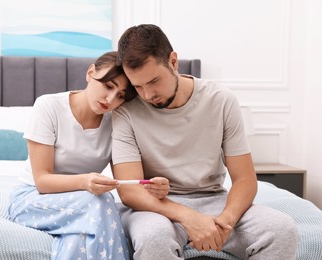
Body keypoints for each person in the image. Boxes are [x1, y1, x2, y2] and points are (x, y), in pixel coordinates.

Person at [112, 24, 299, 260]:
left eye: (154, 81)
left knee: (283, 229)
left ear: (173, 61)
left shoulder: (221, 100)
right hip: (156, 207)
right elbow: (130, 192)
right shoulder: (124, 112)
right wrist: (189, 218)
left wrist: (224, 222)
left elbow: (244, 179)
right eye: (138, 86)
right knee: (153, 237)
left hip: (214, 202)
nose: (148, 94)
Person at [8, 51, 138, 260]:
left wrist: (152, 184)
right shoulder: (48, 106)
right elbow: (42, 181)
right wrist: (86, 181)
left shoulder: (117, 122)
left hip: (85, 204)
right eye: (108, 85)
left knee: (79, 237)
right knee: (101, 202)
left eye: (121, 96)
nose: (110, 99)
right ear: (90, 72)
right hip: (33, 198)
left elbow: (124, 180)